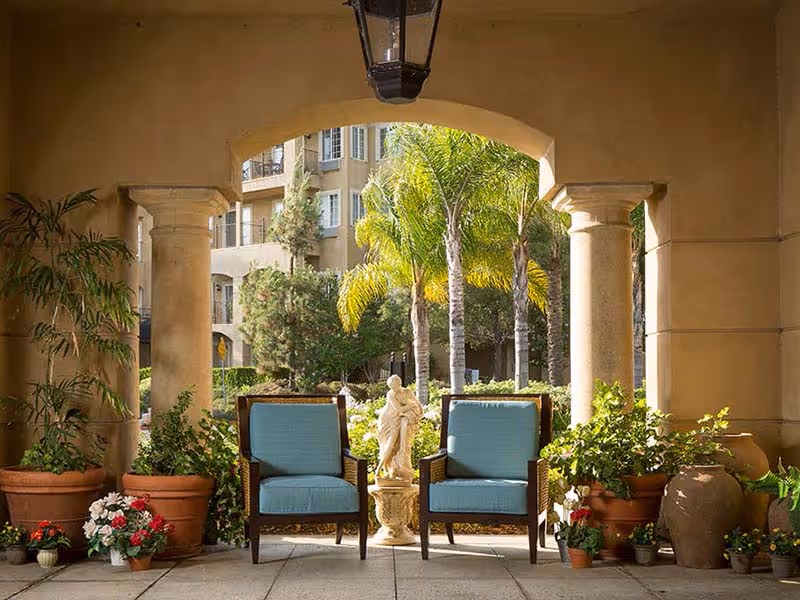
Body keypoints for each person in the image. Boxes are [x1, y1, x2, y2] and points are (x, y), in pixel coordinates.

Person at [375, 374, 422, 484]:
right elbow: (400, 409)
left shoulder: (408, 392)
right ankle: (379, 470)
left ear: (399, 383)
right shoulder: (391, 394)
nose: (393, 388)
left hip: (397, 420)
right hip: (388, 420)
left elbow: (418, 405)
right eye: (391, 387)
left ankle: (394, 472)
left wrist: (416, 410)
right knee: (389, 445)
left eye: (394, 386)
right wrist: (411, 406)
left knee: (395, 446)